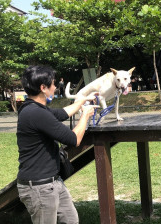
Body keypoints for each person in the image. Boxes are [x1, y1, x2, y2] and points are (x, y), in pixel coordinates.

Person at [16, 65, 99, 224]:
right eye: (53, 84)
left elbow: (62, 113)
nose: (55, 87)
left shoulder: (33, 107)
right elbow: (73, 139)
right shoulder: (35, 113)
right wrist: (85, 115)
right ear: (43, 88)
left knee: (71, 220)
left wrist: (81, 100)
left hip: (53, 182)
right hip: (39, 187)